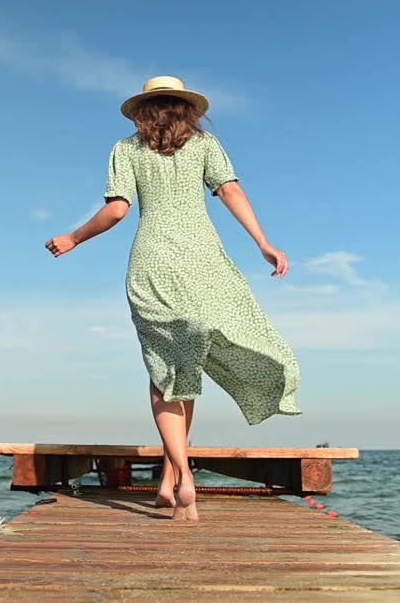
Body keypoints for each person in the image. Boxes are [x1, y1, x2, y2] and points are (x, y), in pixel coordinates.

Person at [44, 76, 301, 521]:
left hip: (153, 262)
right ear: (188, 109)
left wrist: (74, 237)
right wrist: (263, 242)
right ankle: (171, 479)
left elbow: (117, 210)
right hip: (203, 259)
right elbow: (231, 191)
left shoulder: (126, 149)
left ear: (143, 110)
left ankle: (179, 476)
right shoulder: (206, 144)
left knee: (166, 369)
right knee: (188, 365)